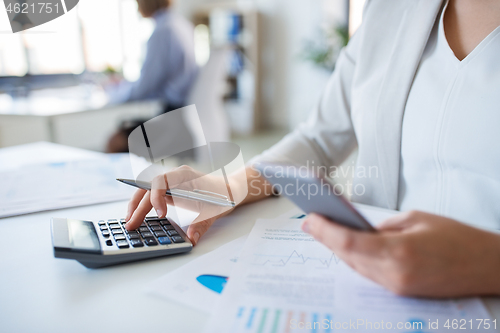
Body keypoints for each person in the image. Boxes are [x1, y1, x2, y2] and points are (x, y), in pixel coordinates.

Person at [124, 0, 500, 298]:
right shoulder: (389, 9)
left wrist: (487, 263)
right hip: (365, 289)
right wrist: (227, 188)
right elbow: (318, 139)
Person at [106, 0, 198, 153]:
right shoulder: (182, 24)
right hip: (187, 115)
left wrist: (114, 93)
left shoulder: (162, 31)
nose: (136, 7)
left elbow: (143, 89)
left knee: (115, 141)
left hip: (174, 120)